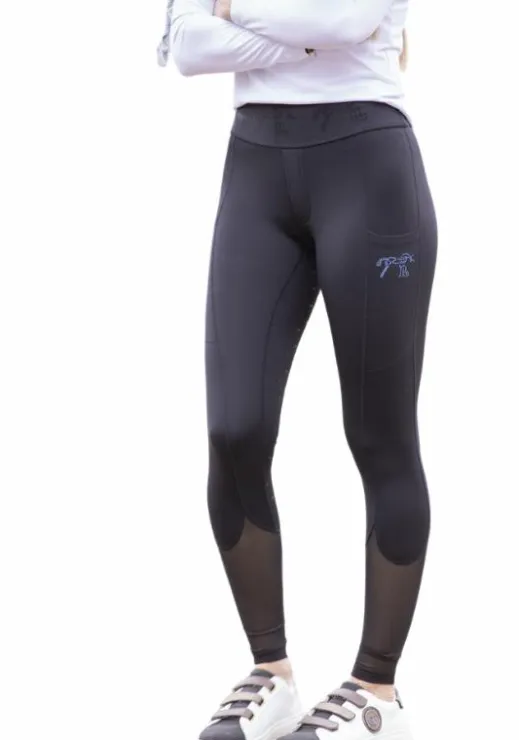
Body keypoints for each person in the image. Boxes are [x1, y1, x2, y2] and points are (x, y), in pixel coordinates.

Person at [158, 1, 436, 738]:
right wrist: (301, 31)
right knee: (234, 428)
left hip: (369, 167)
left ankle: (376, 691)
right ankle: (272, 675)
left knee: (380, 436)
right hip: (255, 168)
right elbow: (186, 45)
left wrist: (236, 9)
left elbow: (342, 21)